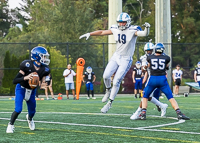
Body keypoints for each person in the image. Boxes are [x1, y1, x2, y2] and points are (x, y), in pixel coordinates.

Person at [79, 12, 150, 113]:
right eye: (120, 22)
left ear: (128, 22)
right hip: (116, 56)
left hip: (126, 59)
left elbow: (143, 34)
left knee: (116, 81)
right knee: (106, 76)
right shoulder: (115, 29)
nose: (121, 24)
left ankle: (109, 103)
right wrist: (90, 34)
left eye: (123, 22)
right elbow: (102, 32)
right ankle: (108, 90)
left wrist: (147, 28)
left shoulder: (132, 30)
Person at [140, 43, 190, 120]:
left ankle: (143, 113)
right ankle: (179, 113)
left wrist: (145, 67)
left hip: (152, 79)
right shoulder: (166, 58)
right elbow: (167, 67)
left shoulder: (150, 57)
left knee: (145, 96)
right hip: (162, 79)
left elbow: (147, 67)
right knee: (170, 97)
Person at [6, 46, 51, 133]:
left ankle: (29, 119)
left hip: (32, 91)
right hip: (21, 89)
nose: (45, 58)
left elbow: (47, 78)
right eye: (43, 56)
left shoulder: (45, 68)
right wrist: (25, 77)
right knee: (18, 109)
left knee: (32, 112)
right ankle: (10, 124)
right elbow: (15, 80)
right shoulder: (27, 65)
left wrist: (44, 84)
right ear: (37, 56)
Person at [130, 42, 168, 120]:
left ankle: (139, 113)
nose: (149, 52)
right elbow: (144, 69)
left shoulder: (159, 56)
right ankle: (162, 105)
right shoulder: (144, 58)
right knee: (147, 96)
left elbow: (166, 68)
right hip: (151, 78)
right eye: (148, 51)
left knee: (145, 95)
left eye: (150, 50)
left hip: (157, 78)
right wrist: (144, 69)